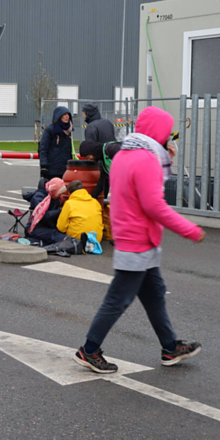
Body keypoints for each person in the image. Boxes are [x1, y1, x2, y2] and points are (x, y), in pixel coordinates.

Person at [73, 106, 205, 374]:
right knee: (117, 300)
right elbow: (154, 204)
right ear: (159, 133)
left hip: (133, 238)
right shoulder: (145, 160)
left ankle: (170, 348)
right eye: (168, 134)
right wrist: (190, 229)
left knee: (154, 295)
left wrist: (162, 158)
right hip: (138, 243)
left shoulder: (128, 154)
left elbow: (142, 188)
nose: (170, 140)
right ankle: (89, 350)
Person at [79, 139, 122, 243]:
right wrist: (90, 197)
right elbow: (103, 182)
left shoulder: (111, 149)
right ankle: (119, 236)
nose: (88, 159)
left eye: (87, 155)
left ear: (92, 151)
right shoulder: (103, 161)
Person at [24, 177, 68, 245]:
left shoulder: (56, 197)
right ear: (54, 190)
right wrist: (60, 211)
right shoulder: (38, 198)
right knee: (57, 236)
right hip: (35, 228)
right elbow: (44, 216)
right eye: (59, 193)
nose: (61, 195)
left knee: (60, 234)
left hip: (48, 226)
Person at [38, 106, 74, 180]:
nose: (67, 117)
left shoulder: (69, 130)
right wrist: (43, 166)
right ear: (59, 116)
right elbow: (43, 149)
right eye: (64, 115)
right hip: (52, 169)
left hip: (66, 169)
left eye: (68, 115)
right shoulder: (50, 130)